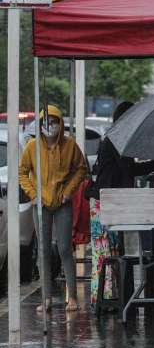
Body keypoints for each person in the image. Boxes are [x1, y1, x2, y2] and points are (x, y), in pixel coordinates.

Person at [86, 101, 154, 308]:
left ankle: (110, 297)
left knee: (111, 251)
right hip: (103, 202)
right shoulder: (116, 139)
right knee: (104, 252)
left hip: (109, 201)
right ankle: (104, 299)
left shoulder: (116, 138)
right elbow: (129, 169)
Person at [19, 105, 87, 312]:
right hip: (40, 205)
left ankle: (72, 297)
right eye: (46, 122)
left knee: (66, 248)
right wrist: (33, 194)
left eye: (54, 121)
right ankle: (46, 297)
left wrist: (68, 192)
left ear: (61, 124)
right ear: (40, 125)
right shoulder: (32, 147)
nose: (50, 126)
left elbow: (81, 169)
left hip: (62, 204)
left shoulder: (70, 146)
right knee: (44, 250)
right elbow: (22, 172)